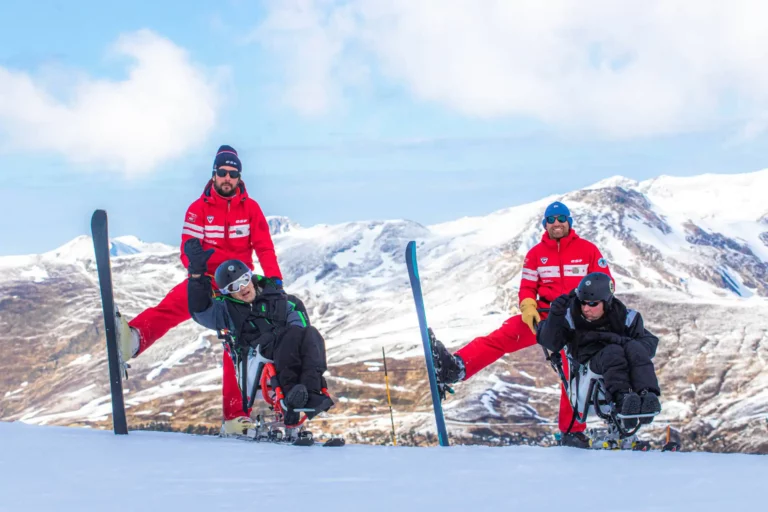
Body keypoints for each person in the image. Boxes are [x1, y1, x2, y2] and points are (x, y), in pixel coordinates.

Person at [114, 145, 284, 431]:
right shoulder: (197, 210)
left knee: (237, 343)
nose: (227, 178)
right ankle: (134, 339)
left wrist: (275, 281)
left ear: (239, 177)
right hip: (206, 278)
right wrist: (196, 262)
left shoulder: (251, 209)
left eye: (233, 174)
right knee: (175, 302)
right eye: (222, 173)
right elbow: (186, 251)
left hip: (239, 284)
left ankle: (234, 417)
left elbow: (264, 246)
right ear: (214, 174)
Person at [430, 201, 613, 448]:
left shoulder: (588, 250)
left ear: (569, 221)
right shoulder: (536, 254)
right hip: (545, 316)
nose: (556, 223)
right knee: (504, 336)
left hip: (578, 319)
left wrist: (591, 310)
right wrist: (528, 306)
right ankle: (456, 368)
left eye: (561, 218)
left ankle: (572, 431)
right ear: (545, 224)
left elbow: (606, 283)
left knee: (573, 372)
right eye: (551, 219)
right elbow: (528, 287)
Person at [184, 238, 333, 431]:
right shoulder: (227, 310)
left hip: (288, 346)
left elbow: (300, 327)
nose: (242, 289)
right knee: (290, 337)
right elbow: (200, 311)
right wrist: (196, 275)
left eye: (244, 281)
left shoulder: (283, 300)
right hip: (254, 353)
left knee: (311, 335)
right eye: (233, 287)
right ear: (227, 293)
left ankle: (310, 391)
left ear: (251, 277)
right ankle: (290, 397)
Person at [536, 272, 661, 429]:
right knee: (613, 352)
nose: (586, 308)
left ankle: (646, 395)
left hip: (618, 369)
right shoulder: (570, 318)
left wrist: (626, 345)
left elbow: (649, 342)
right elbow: (550, 342)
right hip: (585, 374)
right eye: (583, 303)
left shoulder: (625, 317)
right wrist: (555, 316)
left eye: (593, 304)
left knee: (634, 348)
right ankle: (621, 399)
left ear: (607, 302)